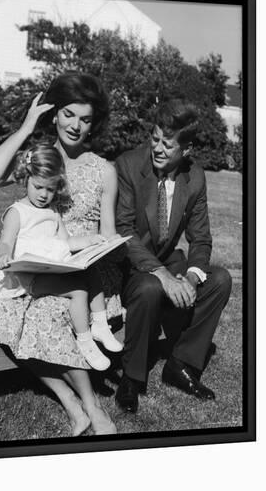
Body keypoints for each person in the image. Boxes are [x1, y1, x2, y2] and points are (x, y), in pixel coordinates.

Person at [0, 72, 123, 436]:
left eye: (85, 119)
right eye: (69, 114)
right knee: (11, 312)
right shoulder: (39, 161)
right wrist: (28, 126)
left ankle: (91, 406)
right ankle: (76, 404)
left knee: (45, 310)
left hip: (85, 274)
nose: (75, 126)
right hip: (38, 270)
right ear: (54, 114)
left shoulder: (104, 170)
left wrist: (94, 249)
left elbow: (107, 237)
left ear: (94, 124)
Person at [114, 99, 232, 414]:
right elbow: (124, 233)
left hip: (168, 260)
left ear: (187, 149)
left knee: (220, 279)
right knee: (151, 287)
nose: (158, 148)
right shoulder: (128, 165)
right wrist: (163, 276)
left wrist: (192, 278)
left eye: (168, 144)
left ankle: (180, 364)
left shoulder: (195, 177)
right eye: (154, 139)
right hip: (129, 265)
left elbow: (201, 238)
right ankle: (132, 377)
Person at [0, 142, 122, 370]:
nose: (44, 195)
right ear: (26, 179)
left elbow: (66, 241)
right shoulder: (17, 212)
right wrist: (4, 256)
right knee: (78, 290)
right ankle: (85, 342)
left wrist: (90, 242)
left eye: (51, 189)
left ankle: (101, 324)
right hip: (26, 277)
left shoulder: (52, 211)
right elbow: (5, 242)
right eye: (39, 187)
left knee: (91, 270)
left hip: (49, 268)